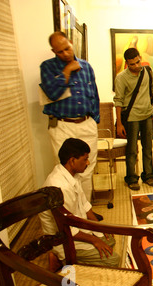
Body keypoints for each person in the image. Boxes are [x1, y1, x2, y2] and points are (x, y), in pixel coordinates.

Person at [39, 138, 120, 267]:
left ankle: (70, 258)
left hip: (76, 226)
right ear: (72, 161)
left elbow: (84, 205)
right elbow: (67, 228)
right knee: (113, 260)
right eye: (85, 159)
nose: (88, 162)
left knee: (109, 241)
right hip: (63, 238)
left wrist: (98, 227)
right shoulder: (60, 187)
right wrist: (94, 239)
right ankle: (61, 259)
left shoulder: (72, 174)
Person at [40, 31, 100, 202]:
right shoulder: (48, 67)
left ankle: (86, 211)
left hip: (86, 123)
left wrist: (94, 120)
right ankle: (73, 214)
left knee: (87, 169)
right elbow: (51, 93)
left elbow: (94, 95)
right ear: (54, 52)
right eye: (60, 51)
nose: (65, 53)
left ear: (71, 42)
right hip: (62, 125)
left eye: (67, 48)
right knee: (66, 170)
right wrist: (67, 71)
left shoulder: (86, 67)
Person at [114, 48, 153, 190]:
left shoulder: (147, 71)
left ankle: (149, 175)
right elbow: (118, 101)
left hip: (147, 115)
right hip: (131, 117)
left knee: (148, 147)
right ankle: (131, 178)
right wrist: (119, 124)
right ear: (127, 63)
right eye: (132, 64)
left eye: (138, 62)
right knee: (132, 149)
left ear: (140, 57)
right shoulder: (121, 78)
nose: (136, 66)